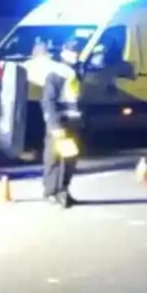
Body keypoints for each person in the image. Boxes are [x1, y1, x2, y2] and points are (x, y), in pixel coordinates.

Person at [41, 38, 83, 208]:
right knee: (55, 160)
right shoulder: (57, 73)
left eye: (77, 51)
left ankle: (64, 190)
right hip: (60, 123)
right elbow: (48, 101)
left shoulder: (75, 71)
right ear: (64, 52)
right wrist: (54, 125)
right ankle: (52, 192)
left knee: (70, 159)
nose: (75, 54)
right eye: (72, 51)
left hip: (73, 121)